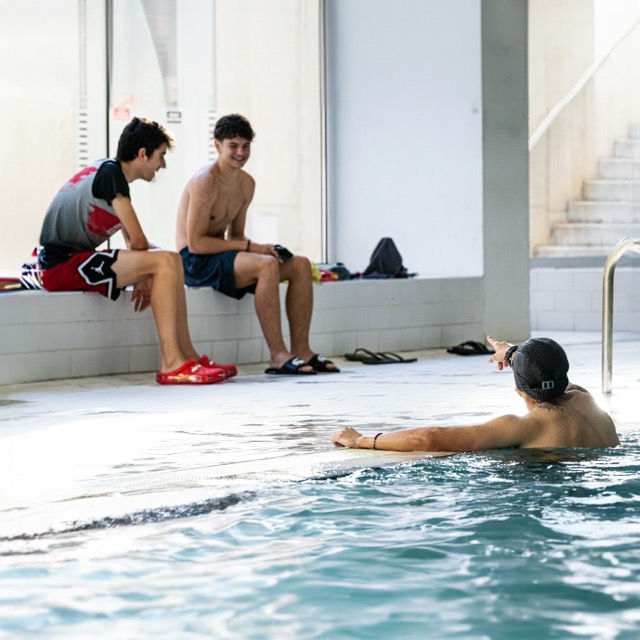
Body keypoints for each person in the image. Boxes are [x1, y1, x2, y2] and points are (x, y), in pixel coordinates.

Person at [37, 116, 236, 385]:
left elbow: (133, 242)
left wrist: (144, 270)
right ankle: (171, 364)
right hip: (60, 265)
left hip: (72, 261)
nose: (163, 164)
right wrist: (145, 270)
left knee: (172, 260)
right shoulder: (111, 174)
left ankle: (188, 356)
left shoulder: (110, 174)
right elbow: (140, 242)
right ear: (142, 154)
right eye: (161, 156)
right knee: (165, 261)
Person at [176, 113, 339, 376]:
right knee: (266, 266)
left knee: (299, 265)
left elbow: (236, 236)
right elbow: (195, 244)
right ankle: (278, 356)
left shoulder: (246, 184)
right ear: (217, 145)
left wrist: (263, 247)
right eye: (233, 146)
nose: (240, 153)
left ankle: (302, 350)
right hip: (195, 262)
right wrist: (253, 249)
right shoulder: (205, 181)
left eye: (245, 146)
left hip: (220, 254)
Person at [331, 336, 619, 452]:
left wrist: (361, 440)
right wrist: (511, 353)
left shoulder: (528, 426)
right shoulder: (585, 399)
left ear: (518, 390)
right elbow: (548, 371)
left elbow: (430, 439)